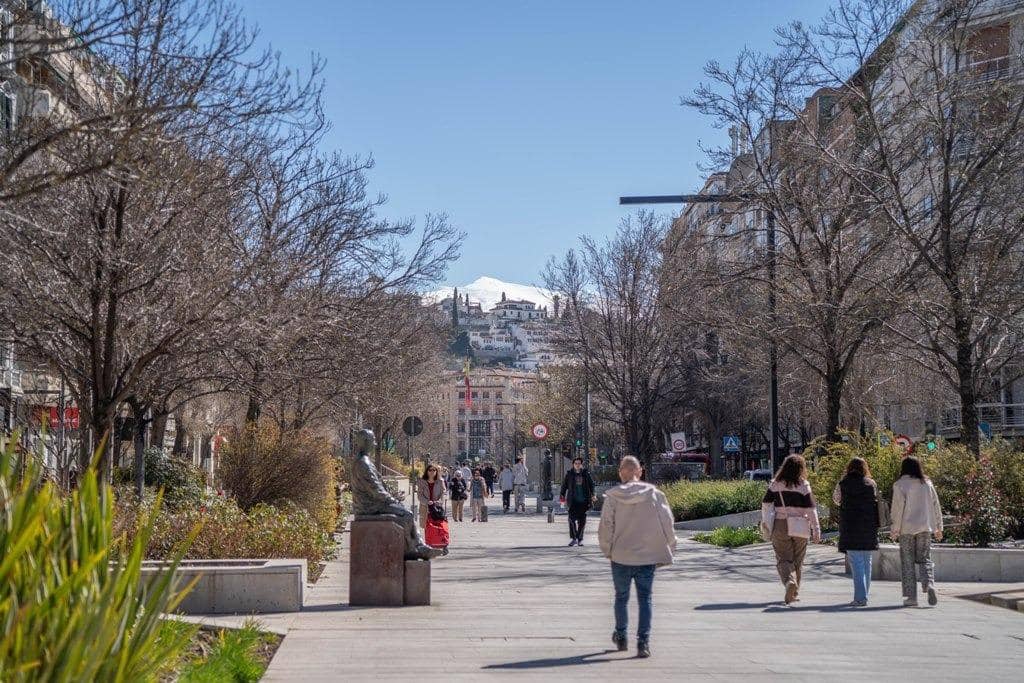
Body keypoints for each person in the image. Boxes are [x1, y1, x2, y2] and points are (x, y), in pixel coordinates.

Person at [598, 456, 676, 659]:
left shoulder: (613, 497)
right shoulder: (654, 495)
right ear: (639, 472)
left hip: (621, 556)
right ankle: (643, 642)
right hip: (647, 557)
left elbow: (606, 526)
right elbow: (667, 521)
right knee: (645, 599)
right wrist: (670, 544)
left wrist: (607, 549)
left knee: (621, 597)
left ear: (620, 473)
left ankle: (621, 636)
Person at [762, 454, 821, 605]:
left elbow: (766, 504)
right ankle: (794, 593)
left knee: (783, 559)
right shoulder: (804, 485)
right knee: (798, 561)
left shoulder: (775, 484)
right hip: (801, 525)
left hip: (780, 524)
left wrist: (767, 523)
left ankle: (789, 582)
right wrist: (816, 528)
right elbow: (811, 508)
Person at [890, 456, 943, 607]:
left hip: (906, 529)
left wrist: (895, 530)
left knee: (907, 562)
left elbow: (897, 509)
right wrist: (939, 527)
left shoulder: (899, 485)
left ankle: (910, 597)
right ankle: (929, 584)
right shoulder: (927, 483)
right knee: (925, 558)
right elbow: (936, 505)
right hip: (925, 528)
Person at [832, 457, 881, 606]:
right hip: (868, 527)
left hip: (851, 527)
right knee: (867, 562)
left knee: (857, 563)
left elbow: (836, 500)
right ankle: (864, 594)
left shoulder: (843, 484)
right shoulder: (871, 484)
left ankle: (860, 598)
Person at [560, 456, 595, 546]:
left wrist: (593, 495)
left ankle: (579, 539)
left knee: (582, 521)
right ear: (573, 464)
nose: (577, 465)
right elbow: (564, 486)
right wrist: (562, 496)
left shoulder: (586, 474)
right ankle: (574, 537)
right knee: (571, 519)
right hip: (573, 501)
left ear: (581, 465)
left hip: (583, 501)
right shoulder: (569, 474)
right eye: (576, 463)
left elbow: (592, 485)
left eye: (579, 464)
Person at [416, 464, 447, 530]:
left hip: (436, 508)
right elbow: (419, 495)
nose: (432, 472)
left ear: (436, 471)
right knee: (426, 527)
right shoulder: (422, 481)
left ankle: (435, 540)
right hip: (425, 507)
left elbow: (443, 493)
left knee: (436, 527)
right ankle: (428, 540)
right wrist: (427, 502)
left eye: (434, 470)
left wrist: (440, 501)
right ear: (427, 471)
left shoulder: (440, 481)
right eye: (430, 470)